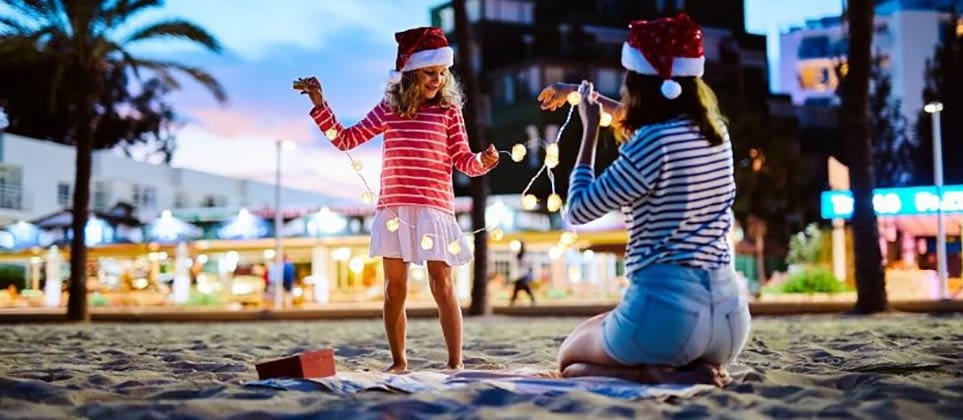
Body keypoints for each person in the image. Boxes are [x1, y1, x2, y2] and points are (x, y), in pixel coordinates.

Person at [537, 13, 750, 387]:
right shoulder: (716, 135)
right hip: (729, 323)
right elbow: (639, 122)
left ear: (639, 82)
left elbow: (579, 209)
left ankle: (651, 373)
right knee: (600, 326)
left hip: (670, 321)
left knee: (568, 359)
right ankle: (686, 368)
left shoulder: (652, 144)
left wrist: (587, 134)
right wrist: (577, 92)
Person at [295, 27, 499, 372]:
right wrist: (320, 106)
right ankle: (399, 361)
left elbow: (462, 158)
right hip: (394, 209)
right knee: (394, 289)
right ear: (410, 73)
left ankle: (455, 362)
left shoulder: (449, 111)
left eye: (442, 73)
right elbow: (345, 139)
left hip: (435, 209)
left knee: (442, 284)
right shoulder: (389, 108)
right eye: (430, 73)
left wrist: (482, 161)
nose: (437, 80)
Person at [510, 242, 536, 306]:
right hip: (520, 275)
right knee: (522, 287)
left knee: (519, 288)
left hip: (523, 275)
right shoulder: (519, 255)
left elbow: (529, 265)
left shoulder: (526, 256)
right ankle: (532, 299)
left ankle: (512, 301)